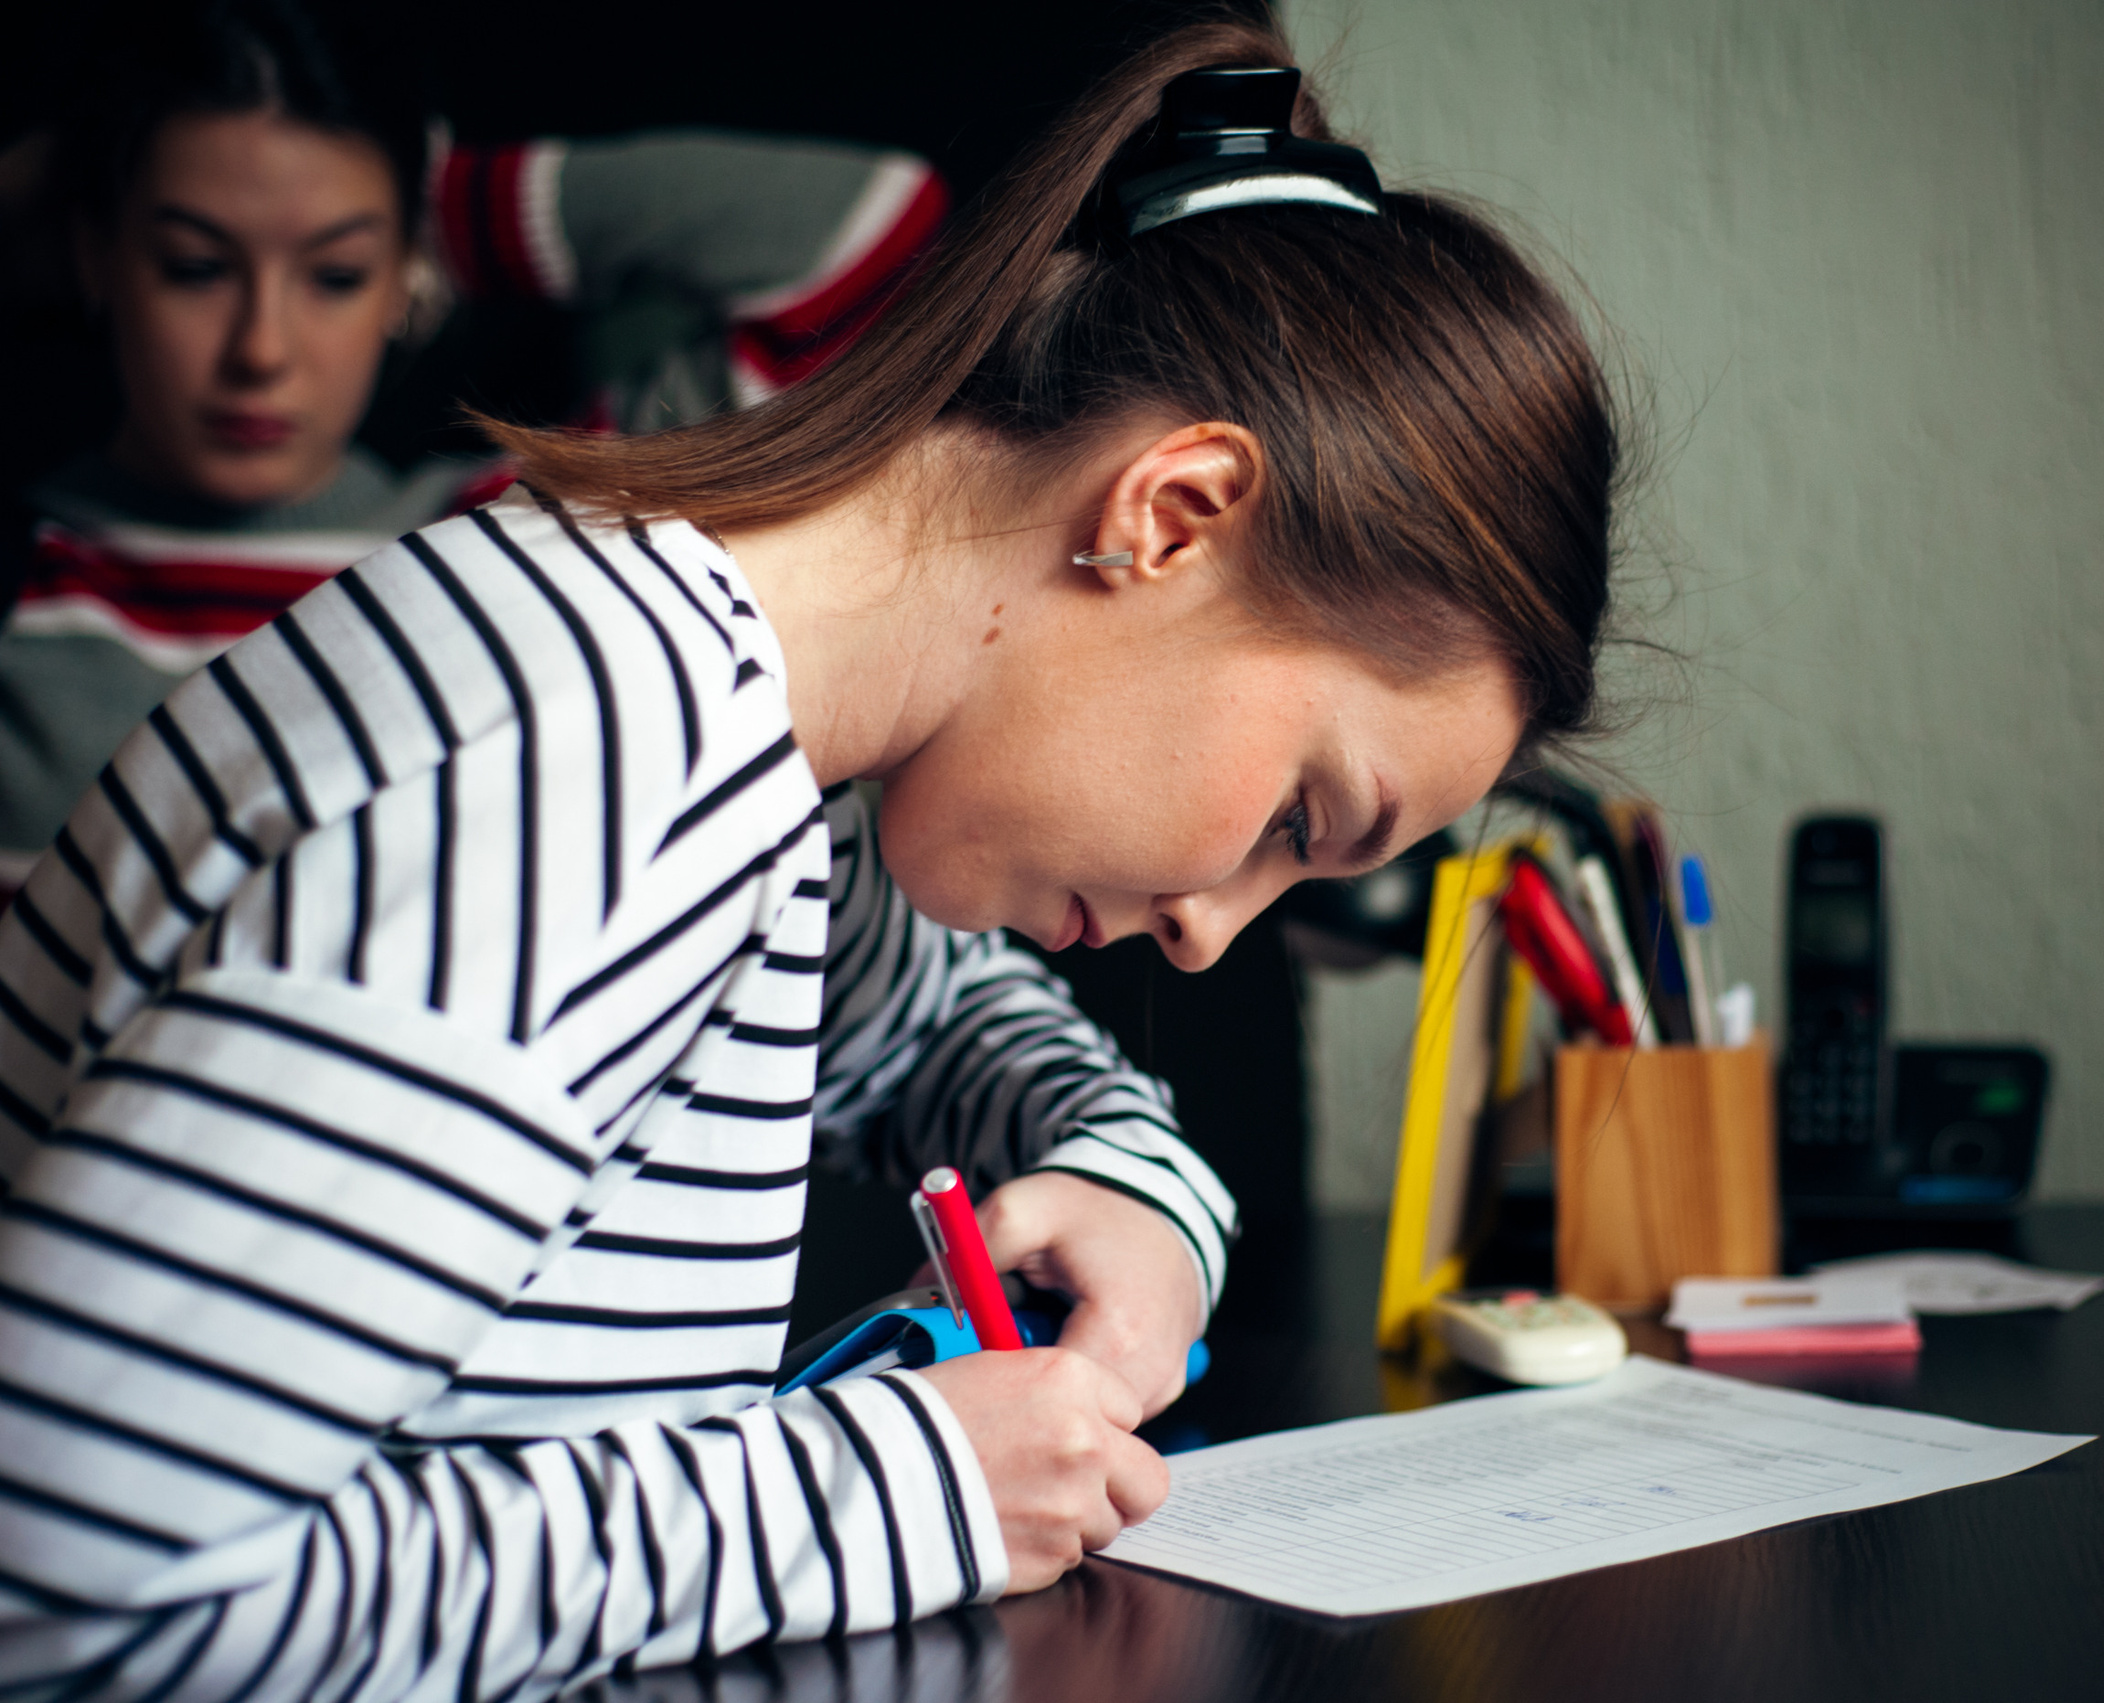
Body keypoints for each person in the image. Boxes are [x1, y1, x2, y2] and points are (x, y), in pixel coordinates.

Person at [0, 14, 1618, 1701]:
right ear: (1174, 516)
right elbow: (73, 1583)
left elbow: (933, 1027)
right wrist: (890, 1491)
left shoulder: (721, 723)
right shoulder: (587, 769)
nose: (1213, 933)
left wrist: (1144, 1193)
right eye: (1299, 816)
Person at [0, 0, 946, 886]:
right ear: (94, 253)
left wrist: (437, 202)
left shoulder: (511, 534)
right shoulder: (27, 565)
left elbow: (877, 246)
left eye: (337, 273)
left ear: (402, 274)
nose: (262, 349)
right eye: (196, 266)